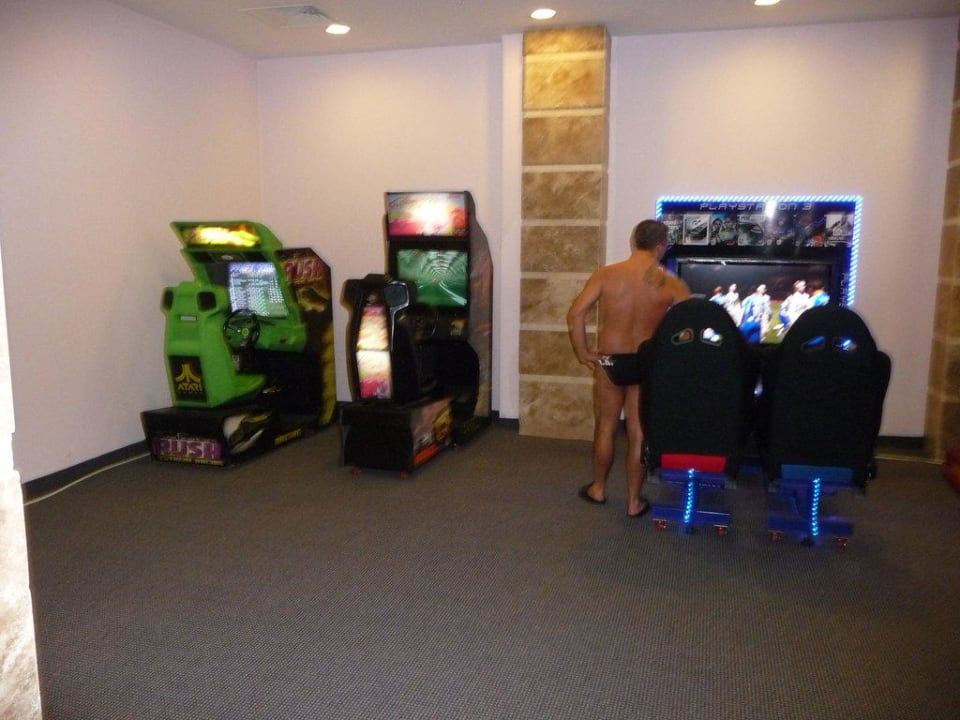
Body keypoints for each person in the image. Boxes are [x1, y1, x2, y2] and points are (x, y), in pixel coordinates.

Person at [567, 220, 691, 517]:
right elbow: (689, 328)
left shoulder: (607, 274)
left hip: (610, 360)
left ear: (634, 241)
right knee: (638, 431)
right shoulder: (672, 283)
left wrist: (583, 352)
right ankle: (634, 501)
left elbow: (576, 314)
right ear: (660, 247)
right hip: (645, 362)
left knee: (606, 426)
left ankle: (599, 488)